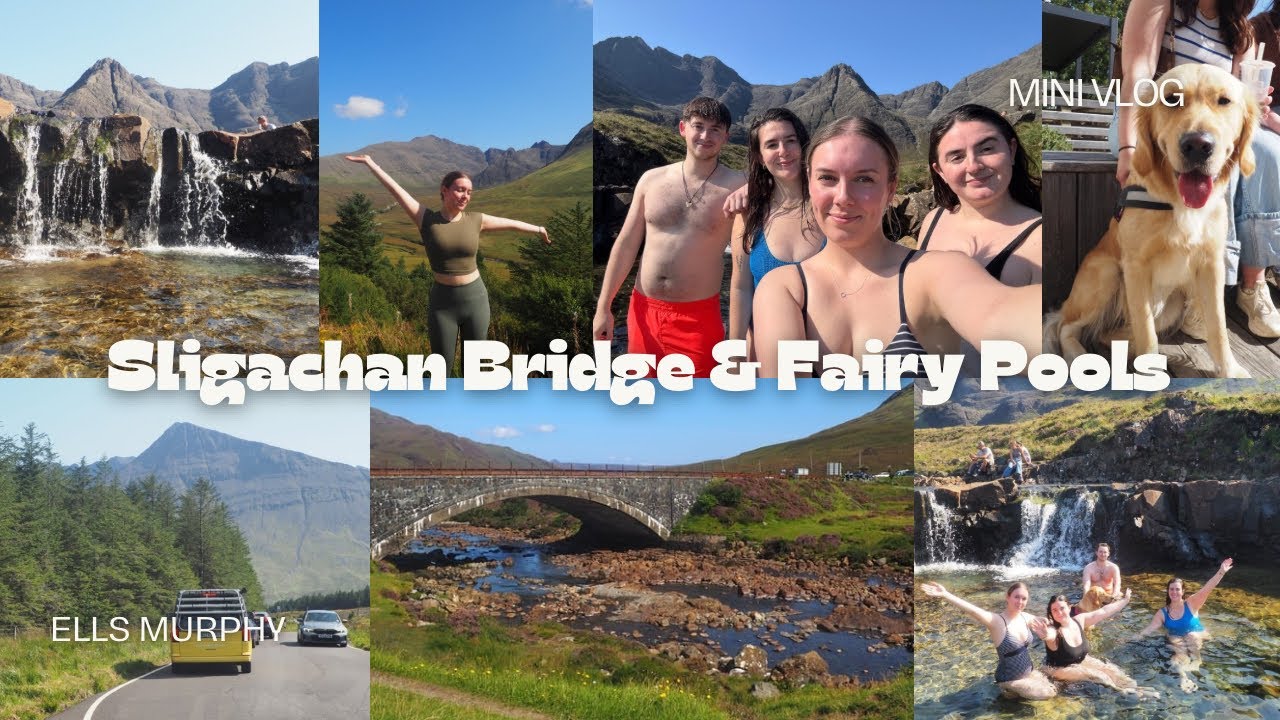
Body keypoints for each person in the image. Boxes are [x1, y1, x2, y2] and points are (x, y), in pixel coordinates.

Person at [751, 115, 1041, 378]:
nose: (843, 197)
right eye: (827, 178)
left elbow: (1000, 315)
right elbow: (788, 401)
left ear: (891, 189)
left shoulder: (936, 271)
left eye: (864, 179)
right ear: (809, 182)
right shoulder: (783, 288)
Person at [1115, 0, 1280, 339]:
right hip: (1149, 120)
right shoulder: (1157, 3)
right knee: (1220, 161)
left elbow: (1240, 100)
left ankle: (1252, 284)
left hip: (1210, 132)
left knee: (1269, 151)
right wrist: (1129, 146)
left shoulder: (1242, 30)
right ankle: (1197, 296)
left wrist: (1255, 102)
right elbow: (1139, 76)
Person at [344, 156, 550, 369]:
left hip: (476, 300)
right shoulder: (426, 219)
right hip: (442, 304)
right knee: (441, 368)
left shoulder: (476, 219)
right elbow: (396, 190)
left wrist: (539, 229)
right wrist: (370, 163)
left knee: (474, 368)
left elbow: (511, 224)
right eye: (460, 190)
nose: (465, 196)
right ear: (444, 190)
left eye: (469, 192)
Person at [594, 97, 745, 377]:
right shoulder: (651, 180)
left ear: (726, 136)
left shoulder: (739, 186)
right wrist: (603, 307)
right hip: (642, 311)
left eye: (715, 129)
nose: (705, 135)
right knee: (642, 394)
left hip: (698, 319)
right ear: (683, 128)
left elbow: (743, 265)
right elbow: (626, 244)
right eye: (698, 126)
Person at [727, 108, 824, 359]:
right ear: (760, 157)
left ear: (802, 146)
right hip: (768, 356)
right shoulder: (749, 214)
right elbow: (741, 288)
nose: (783, 151)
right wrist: (735, 354)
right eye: (772, 145)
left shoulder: (827, 206)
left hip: (829, 357)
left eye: (790, 140)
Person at [921, 104, 1042, 288]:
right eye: (957, 157)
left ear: (1011, 151)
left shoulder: (1039, 242)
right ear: (940, 172)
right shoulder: (932, 221)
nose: (973, 166)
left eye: (986, 149)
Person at [920, 581, 1057, 700]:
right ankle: (1007, 691)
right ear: (1007, 597)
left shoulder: (1024, 617)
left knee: (1055, 687)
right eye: (1016, 597)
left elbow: (1049, 623)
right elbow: (973, 611)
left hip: (1028, 673)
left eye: (1024, 598)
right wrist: (945, 594)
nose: (1020, 602)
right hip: (1009, 679)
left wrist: (1048, 632)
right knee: (1046, 693)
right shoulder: (996, 621)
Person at [1132, 558, 1233, 692]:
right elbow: (1151, 628)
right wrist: (1135, 637)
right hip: (1177, 639)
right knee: (1175, 646)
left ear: (1183, 591)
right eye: (1171, 589)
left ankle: (1197, 662)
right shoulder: (1163, 613)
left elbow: (1207, 588)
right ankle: (1183, 676)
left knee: (1191, 635)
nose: (1174, 592)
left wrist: (1221, 572)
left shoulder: (1192, 603)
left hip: (1197, 635)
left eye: (1177, 589)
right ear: (1168, 591)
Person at [1033, 591, 1141, 692]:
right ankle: (1124, 693)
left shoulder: (1079, 620)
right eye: (1054, 610)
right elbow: (1049, 635)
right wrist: (1045, 635)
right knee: (1100, 676)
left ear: (1069, 608)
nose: (1059, 613)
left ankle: (1138, 689)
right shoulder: (1054, 630)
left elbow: (1104, 611)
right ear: (1051, 613)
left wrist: (1125, 600)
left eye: (1062, 608)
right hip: (1057, 669)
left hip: (1078, 661)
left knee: (1112, 671)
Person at [1079, 543, 1122, 613]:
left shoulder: (1114, 568)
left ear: (1108, 553)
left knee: (1119, 596)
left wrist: (1113, 597)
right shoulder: (1088, 568)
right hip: (1095, 597)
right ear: (1096, 553)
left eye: (1105, 552)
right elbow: (1086, 585)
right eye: (1100, 552)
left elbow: (1117, 584)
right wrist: (1086, 599)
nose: (1103, 554)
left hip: (1109, 596)